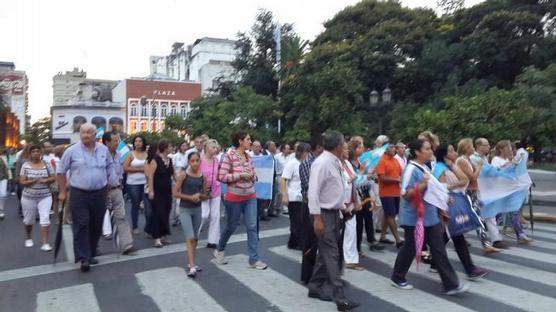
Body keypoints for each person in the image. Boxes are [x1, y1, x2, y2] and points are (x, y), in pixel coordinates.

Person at [391, 139, 467, 295]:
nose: (431, 150)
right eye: (426, 148)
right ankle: (397, 277)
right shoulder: (411, 169)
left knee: (438, 249)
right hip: (414, 217)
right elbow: (406, 194)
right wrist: (423, 184)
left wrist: (444, 197)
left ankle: (451, 284)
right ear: (417, 152)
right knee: (410, 248)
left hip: (429, 216)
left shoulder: (424, 167)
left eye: (430, 148)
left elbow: (433, 189)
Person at [307, 131, 359, 312]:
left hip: (334, 212)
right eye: (343, 143)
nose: (345, 146)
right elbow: (313, 192)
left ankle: (314, 286)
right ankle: (340, 297)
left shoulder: (334, 162)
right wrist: (317, 218)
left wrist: (343, 207)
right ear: (337, 146)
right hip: (323, 213)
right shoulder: (321, 163)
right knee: (331, 254)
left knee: (325, 253)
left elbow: (334, 189)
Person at [57, 123, 115, 272]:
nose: (85, 135)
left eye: (89, 133)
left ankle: (90, 251)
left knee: (96, 225)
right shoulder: (71, 151)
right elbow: (61, 172)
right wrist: (62, 192)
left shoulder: (103, 150)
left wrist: (111, 180)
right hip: (79, 193)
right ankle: (84, 257)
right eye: (83, 132)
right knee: (82, 223)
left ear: (95, 135)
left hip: (99, 192)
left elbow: (110, 166)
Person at [212, 130, 267, 270]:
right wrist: (240, 175)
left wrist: (252, 176)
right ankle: (219, 249)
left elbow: (254, 175)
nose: (250, 141)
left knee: (252, 226)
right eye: (248, 139)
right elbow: (221, 176)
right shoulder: (229, 156)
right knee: (232, 226)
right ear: (240, 141)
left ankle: (254, 259)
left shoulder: (249, 157)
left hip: (250, 196)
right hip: (234, 197)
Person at [432, 143, 488, 280]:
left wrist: (451, 168)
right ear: (445, 154)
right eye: (451, 151)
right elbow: (442, 189)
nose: (454, 153)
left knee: (448, 235)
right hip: (447, 205)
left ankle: (434, 260)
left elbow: (465, 180)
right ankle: (470, 269)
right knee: (457, 236)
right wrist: (452, 187)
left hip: (456, 201)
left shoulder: (451, 166)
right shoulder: (439, 168)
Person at [457, 138, 501, 252]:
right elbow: (473, 177)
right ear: (466, 148)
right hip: (467, 193)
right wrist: (480, 166)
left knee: (472, 217)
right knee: (476, 218)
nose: (473, 148)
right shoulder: (462, 160)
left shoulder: (467, 160)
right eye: (471, 146)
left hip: (473, 192)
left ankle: (484, 243)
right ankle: (485, 244)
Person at [174, 151, 210, 278]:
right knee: (190, 237)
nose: (195, 163)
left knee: (195, 238)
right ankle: (192, 266)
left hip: (197, 209)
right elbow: (176, 193)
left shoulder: (203, 176)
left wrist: (200, 195)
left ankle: (192, 263)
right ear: (188, 162)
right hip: (185, 209)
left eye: (197, 160)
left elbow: (206, 196)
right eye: (192, 161)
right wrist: (190, 197)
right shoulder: (183, 175)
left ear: (200, 161)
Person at [491, 140, 532, 244]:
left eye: (511, 148)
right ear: (501, 149)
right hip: (501, 192)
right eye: (508, 148)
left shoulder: (510, 159)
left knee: (514, 212)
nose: (511, 150)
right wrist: (510, 164)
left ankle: (520, 234)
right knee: (497, 214)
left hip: (511, 191)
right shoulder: (496, 160)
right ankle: (488, 227)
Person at [102, 132, 135, 255]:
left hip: (116, 190)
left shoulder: (118, 155)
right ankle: (91, 247)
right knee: (96, 218)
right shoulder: (101, 156)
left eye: (117, 140)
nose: (117, 143)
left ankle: (127, 244)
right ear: (107, 142)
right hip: (102, 191)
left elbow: (120, 172)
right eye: (115, 141)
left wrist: (120, 184)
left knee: (121, 216)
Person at [350, 137, 384, 252]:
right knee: (358, 221)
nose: (362, 148)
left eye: (362, 146)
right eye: (359, 147)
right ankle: (357, 246)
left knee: (368, 217)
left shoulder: (361, 161)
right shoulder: (349, 163)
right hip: (356, 195)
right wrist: (363, 173)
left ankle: (371, 240)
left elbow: (365, 178)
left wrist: (369, 174)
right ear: (353, 149)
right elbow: (354, 180)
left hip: (365, 193)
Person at [19, 145, 56, 250]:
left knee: (45, 218)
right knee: (28, 220)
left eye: (38, 151)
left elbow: (53, 178)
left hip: (45, 196)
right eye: (33, 151)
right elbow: (22, 181)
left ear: (41, 153)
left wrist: (46, 180)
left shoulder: (47, 164)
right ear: (30, 153)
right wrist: (32, 181)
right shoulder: (25, 165)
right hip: (28, 197)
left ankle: (45, 243)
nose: (36, 153)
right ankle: (29, 238)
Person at [299, 135, 324, 284]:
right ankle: (307, 276)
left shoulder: (319, 162)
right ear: (319, 148)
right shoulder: (309, 163)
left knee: (319, 241)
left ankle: (317, 274)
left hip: (319, 205)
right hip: (310, 205)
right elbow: (313, 187)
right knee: (310, 242)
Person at [145, 140, 176, 248]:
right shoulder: (155, 160)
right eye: (170, 146)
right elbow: (151, 176)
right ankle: (157, 238)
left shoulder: (170, 160)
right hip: (157, 190)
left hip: (167, 191)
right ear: (165, 148)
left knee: (166, 212)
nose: (171, 148)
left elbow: (174, 175)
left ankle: (163, 234)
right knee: (158, 213)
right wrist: (151, 190)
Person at [282, 142, 311, 250]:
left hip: (303, 197)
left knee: (302, 221)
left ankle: (292, 242)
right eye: (306, 152)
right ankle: (300, 243)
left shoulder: (307, 163)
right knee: (297, 222)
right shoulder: (292, 163)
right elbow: (284, 179)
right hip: (294, 197)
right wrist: (285, 195)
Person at [341, 141, 364, 271]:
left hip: (349, 201)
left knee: (351, 230)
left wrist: (356, 200)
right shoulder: (336, 165)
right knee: (335, 232)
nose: (347, 151)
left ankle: (350, 259)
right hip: (338, 203)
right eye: (345, 149)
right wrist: (355, 176)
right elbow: (341, 183)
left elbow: (354, 183)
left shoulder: (348, 164)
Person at [376, 142, 404, 248]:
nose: (394, 149)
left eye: (394, 147)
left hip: (396, 192)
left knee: (388, 214)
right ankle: (398, 239)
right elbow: (382, 177)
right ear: (386, 150)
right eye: (391, 147)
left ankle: (383, 236)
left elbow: (401, 174)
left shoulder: (396, 160)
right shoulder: (382, 161)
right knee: (391, 215)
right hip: (386, 193)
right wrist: (396, 179)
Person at [123, 136, 150, 236]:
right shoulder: (130, 154)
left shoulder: (147, 154)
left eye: (140, 141)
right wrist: (139, 170)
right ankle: (134, 226)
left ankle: (148, 228)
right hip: (133, 183)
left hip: (145, 183)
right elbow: (125, 168)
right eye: (136, 141)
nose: (138, 143)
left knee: (148, 206)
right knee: (135, 204)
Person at [200, 139, 222, 249]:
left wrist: (218, 181)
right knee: (204, 214)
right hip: (203, 190)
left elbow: (219, 173)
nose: (216, 149)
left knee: (215, 215)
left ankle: (212, 240)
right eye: (214, 147)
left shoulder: (216, 160)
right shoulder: (199, 160)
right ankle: (194, 235)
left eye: (216, 147)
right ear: (208, 148)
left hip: (216, 190)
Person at [0, 149, 9, 220]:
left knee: (3, 194)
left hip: (3, 178)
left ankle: (1, 208)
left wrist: (7, 176)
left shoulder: (2, 158)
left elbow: (6, 167)